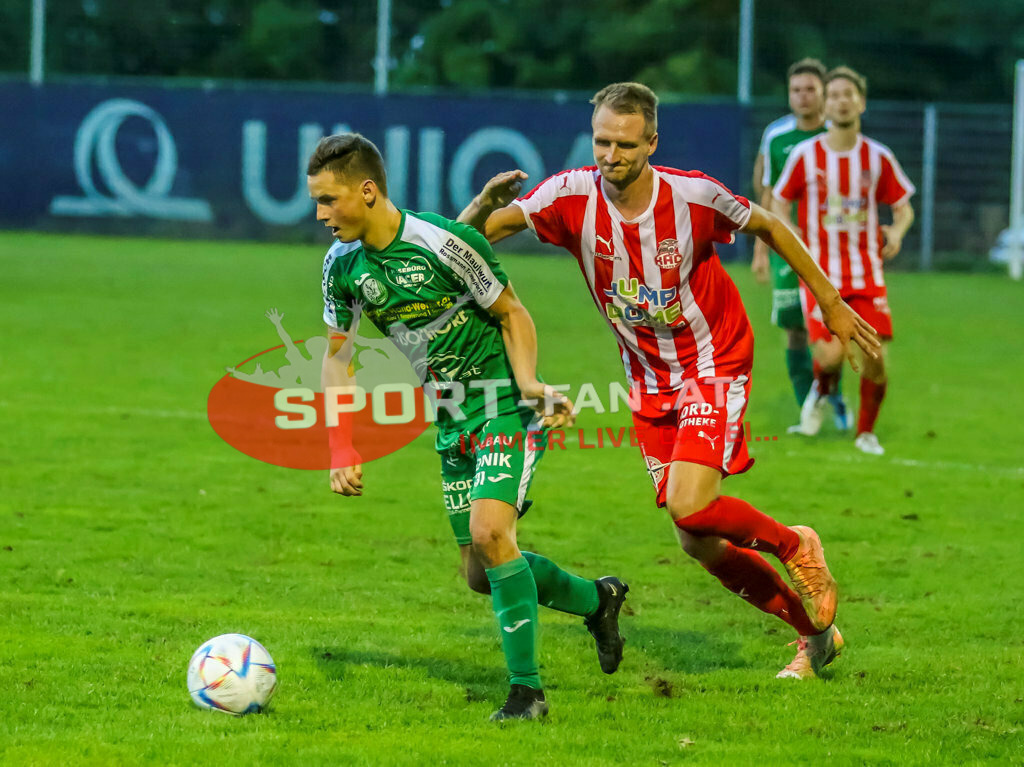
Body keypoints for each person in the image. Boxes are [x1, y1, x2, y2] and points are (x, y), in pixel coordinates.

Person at [459, 82, 882, 679]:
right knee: (696, 538)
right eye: (602, 141)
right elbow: (465, 241)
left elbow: (770, 226)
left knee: (690, 504)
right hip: (648, 378)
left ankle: (795, 546)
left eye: (626, 145)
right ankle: (815, 635)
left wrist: (832, 303)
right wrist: (479, 205)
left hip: (714, 359)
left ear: (652, 142)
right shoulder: (569, 195)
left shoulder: (693, 196)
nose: (610, 156)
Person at [308, 133, 629, 721]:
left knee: (490, 534)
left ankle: (527, 693)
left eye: (329, 201)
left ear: (368, 190)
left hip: (503, 404)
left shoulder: (443, 240)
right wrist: (340, 446)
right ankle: (597, 599)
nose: (321, 215)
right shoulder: (342, 266)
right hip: (450, 418)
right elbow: (336, 357)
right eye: (317, 203)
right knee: (481, 574)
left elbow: (513, 311)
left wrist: (531, 384)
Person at [773, 66, 915, 455]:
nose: (841, 100)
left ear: (861, 102)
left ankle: (865, 433)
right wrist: (789, 237)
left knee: (875, 357)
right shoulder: (806, 154)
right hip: (820, 273)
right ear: (826, 103)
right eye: (833, 95)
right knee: (831, 353)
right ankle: (820, 392)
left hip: (866, 273)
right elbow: (779, 200)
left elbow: (903, 207)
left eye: (848, 94)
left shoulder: (877, 156)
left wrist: (897, 232)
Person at [752, 58, 850, 429]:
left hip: (834, 252)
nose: (803, 97)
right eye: (796, 90)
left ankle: (833, 395)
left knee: (833, 327)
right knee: (794, 328)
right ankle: (805, 406)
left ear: (824, 92)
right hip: (786, 248)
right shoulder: (776, 136)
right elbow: (767, 193)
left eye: (810, 89)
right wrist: (762, 251)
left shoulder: (838, 135)